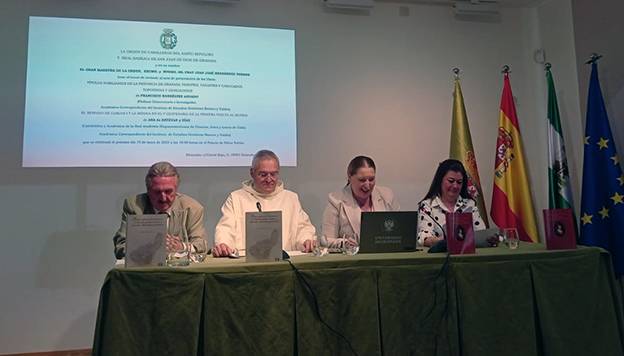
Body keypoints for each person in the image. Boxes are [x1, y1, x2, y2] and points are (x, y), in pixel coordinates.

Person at [212, 149, 317, 257]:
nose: (269, 179)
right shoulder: (236, 198)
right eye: (263, 175)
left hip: (284, 261)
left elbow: (302, 227)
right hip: (245, 261)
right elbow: (225, 228)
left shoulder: (290, 198)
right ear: (252, 173)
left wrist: (306, 241)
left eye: (273, 174)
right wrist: (224, 244)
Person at [113, 161, 208, 259]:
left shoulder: (192, 208)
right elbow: (121, 247)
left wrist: (181, 247)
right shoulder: (134, 206)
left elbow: (201, 245)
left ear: (176, 189)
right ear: (148, 191)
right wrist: (152, 247)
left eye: (168, 191)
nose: (163, 198)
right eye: (157, 192)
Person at [320, 156, 400, 248]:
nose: (367, 185)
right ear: (350, 177)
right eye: (362, 180)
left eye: (371, 179)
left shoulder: (387, 195)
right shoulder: (335, 200)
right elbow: (326, 240)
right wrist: (343, 243)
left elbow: (400, 231)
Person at [418, 159, 496, 247]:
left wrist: (489, 238)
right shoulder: (428, 205)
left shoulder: (470, 204)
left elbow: (480, 232)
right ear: (440, 180)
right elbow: (424, 238)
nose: (455, 186)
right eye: (451, 181)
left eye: (459, 182)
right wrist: (437, 241)